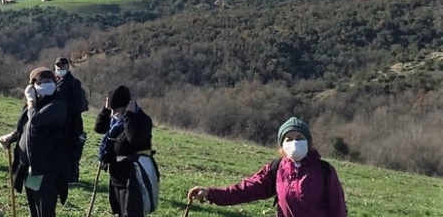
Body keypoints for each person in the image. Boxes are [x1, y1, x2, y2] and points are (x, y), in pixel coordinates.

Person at [187, 116, 347, 217]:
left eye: (299, 138)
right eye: (289, 139)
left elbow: (338, 210)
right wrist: (210, 193)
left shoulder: (324, 171)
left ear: (309, 143)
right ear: (282, 146)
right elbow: (246, 190)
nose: (294, 143)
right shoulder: (276, 169)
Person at [0, 67, 69, 217]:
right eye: (41, 82)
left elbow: (35, 120)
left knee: (45, 211)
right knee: (34, 210)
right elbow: (27, 127)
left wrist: (30, 101)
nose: (45, 84)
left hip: (47, 169)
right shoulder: (36, 104)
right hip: (30, 167)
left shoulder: (57, 104)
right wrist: (12, 137)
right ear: (33, 86)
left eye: (49, 81)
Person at [95, 86, 159, 217]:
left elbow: (132, 136)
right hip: (117, 174)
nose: (114, 113)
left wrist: (128, 115)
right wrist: (106, 111)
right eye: (111, 109)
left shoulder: (142, 120)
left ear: (127, 105)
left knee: (131, 213)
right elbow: (99, 128)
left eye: (116, 110)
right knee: (118, 211)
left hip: (133, 176)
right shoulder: (114, 121)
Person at [53, 56, 88, 184]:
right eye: (57, 67)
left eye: (61, 67)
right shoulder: (54, 80)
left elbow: (79, 105)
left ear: (67, 67)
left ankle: (71, 178)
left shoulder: (74, 83)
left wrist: (65, 107)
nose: (59, 69)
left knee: (72, 150)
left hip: (72, 122)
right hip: (59, 121)